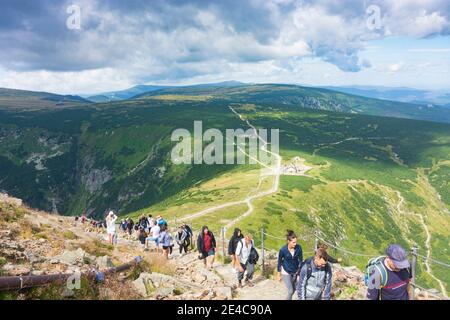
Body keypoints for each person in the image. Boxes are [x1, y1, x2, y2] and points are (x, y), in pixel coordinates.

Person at [277, 230, 303, 300]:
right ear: (288, 241)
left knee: (296, 289)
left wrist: (300, 272)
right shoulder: (283, 250)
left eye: (296, 242)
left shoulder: (299, 248)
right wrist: (279, 275)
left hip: (295, 271)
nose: (295, 244)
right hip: (286, 272)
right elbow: (279, 262)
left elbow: (301, 260)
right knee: (290, 291)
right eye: (293, 242)